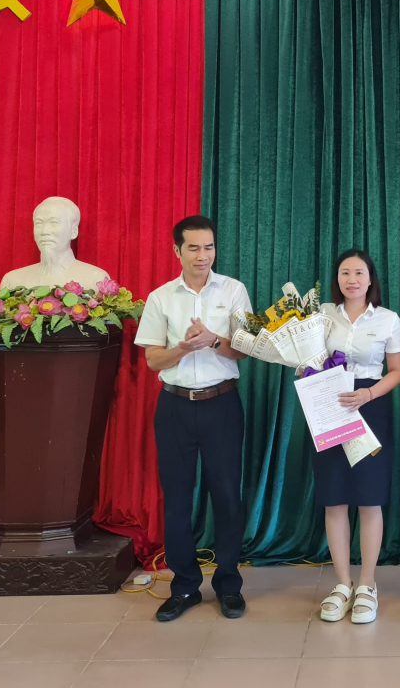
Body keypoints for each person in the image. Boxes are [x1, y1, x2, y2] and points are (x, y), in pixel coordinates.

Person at [135, 214, 252, 622]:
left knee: (228, 496)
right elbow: (153, 359)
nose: (203, 255)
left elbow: (246, 350)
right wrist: (183, 348)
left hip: (222, 404)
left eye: (209, 247)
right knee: (177, 499)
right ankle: (184, 586)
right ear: (177, 251)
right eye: (194, 248)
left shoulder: (234, 290)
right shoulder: (161, 297)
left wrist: (214, 340)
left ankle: (228, 584)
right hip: (175, 407)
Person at [314, 249, 400, 625]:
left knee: (369, 498)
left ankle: (367, 584)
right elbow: (305, 358)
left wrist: (368, 394)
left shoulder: (387, 319)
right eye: (344, 273)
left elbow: (397, 371)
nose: (351, 279)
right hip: (329, 405)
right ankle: (342, 584)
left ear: (371, 280)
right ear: (337, 279)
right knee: (334, 498)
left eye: (359, 273)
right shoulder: (321, 315)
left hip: (371, 407)